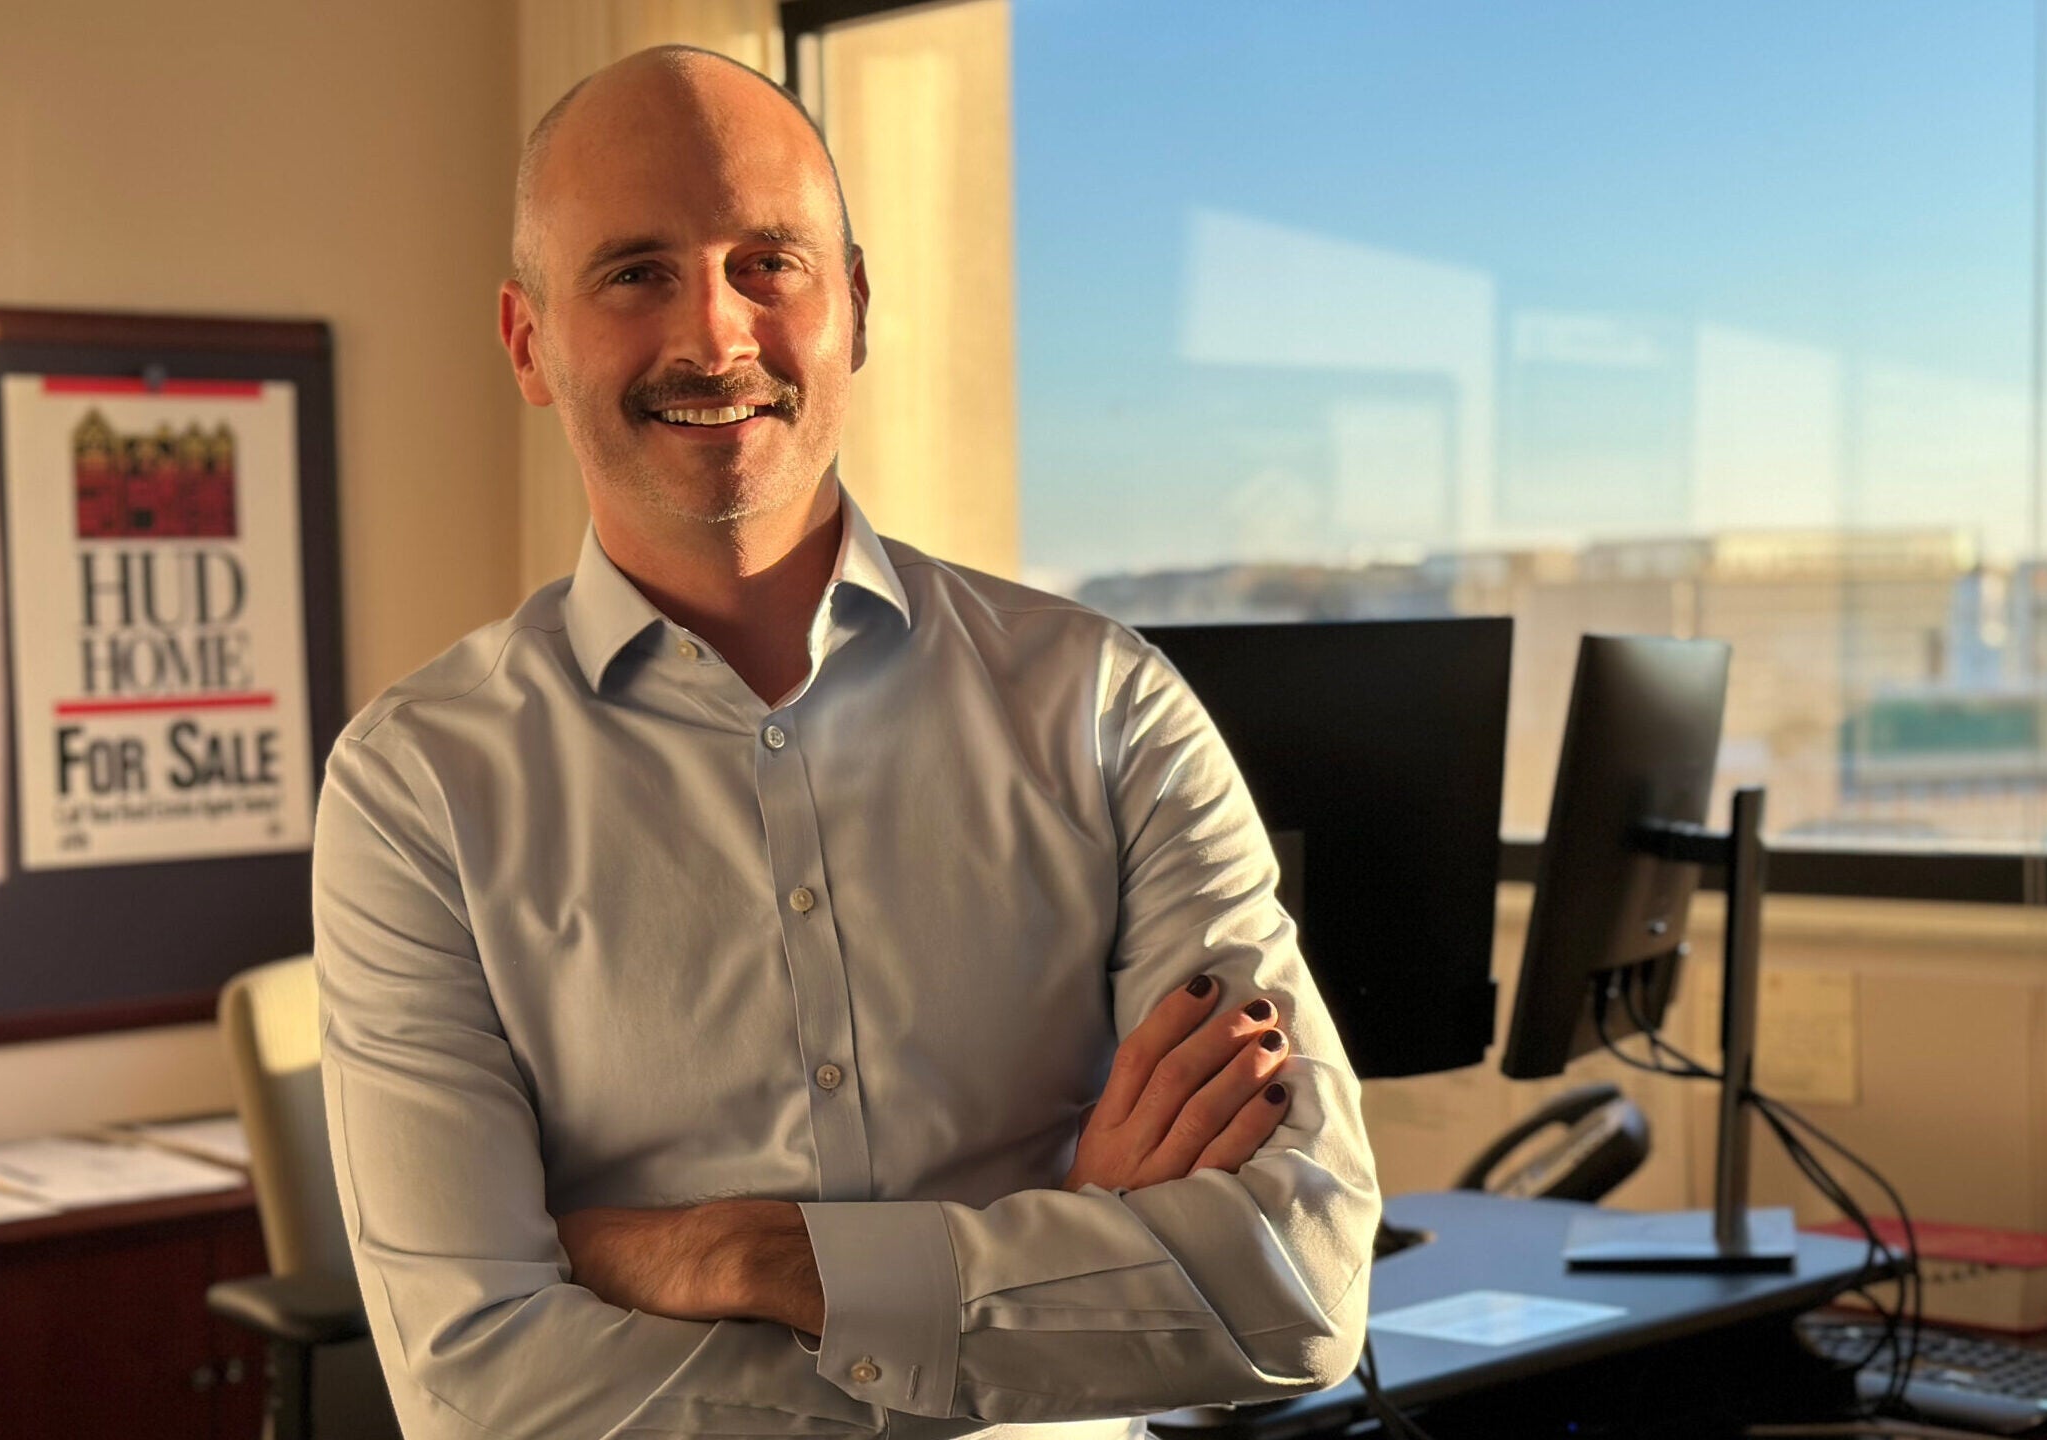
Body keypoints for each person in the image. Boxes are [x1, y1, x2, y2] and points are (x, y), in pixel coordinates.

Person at [314, 44, 1380, 1440]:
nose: (715, 335)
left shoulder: (1104, 708)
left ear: (855, 309)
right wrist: (1068, 1258)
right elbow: (487, 1392)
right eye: (636, 272)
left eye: (770, 261)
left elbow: (1294, 1286)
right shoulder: (417, 791)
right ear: (530, 344)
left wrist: (741, 1258)